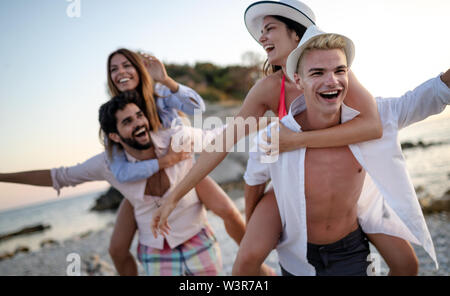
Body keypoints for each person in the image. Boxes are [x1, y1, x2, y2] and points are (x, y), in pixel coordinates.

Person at [151, 0, 418, 275]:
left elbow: (372, 126)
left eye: (269, 29)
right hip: (289, 185)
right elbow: (222, 142)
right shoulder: (268, 88)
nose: (261, 37)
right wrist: (175, 196)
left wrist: (298, 140)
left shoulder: (333, 75)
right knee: (245, 262)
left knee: (407, 263)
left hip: (342, 181)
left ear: (296, 34)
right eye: (261, 32)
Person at [241, 25, 449, 275]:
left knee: (407, 266)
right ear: (298, 80)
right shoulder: (275, 137)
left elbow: (430, 96)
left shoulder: (376, 117)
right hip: (299, 251)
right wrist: (253, 229)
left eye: (340, 70)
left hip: (351, 246)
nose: (332, 81)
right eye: (317, 73)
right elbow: (254, 181)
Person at [0, 91, 224, 276]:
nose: (139, 124)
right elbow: (60, 176)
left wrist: (258, 114)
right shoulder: (107, 165)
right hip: (155, 248)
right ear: (115, 136)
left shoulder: (176, 139)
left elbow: (219, 135)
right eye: (127, 122)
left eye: (139, 116)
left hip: (196, 235)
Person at [105, 48, 245, 275]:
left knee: (228, 211)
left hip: (183, 173)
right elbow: (120, 170)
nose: (121, 71)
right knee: (116, 248)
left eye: (127, 65)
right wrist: (164, 162)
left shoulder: (160, 96)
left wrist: (166, 79)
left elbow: (198, 108)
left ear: (139, 70)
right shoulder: (115, 114)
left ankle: (253, 263)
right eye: (114, 69)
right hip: (143, 185)